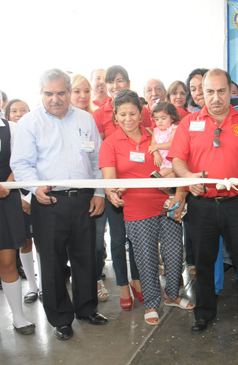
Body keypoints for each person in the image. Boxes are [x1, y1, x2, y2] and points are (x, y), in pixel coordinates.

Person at [10, 69, 108, 341]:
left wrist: (99, 192)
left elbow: (96, 160)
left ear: (69, 92)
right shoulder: (30, 123)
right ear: (41, 93)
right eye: (48, 94)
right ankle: (60, 319)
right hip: (49, 202)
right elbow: (20, 164)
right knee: (51, 263)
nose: (55, 99)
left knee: (86, 258)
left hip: (84, 201)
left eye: (60, 93)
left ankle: (87, 309)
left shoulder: (85, 119)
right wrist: (34, 187)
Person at [169, 68, 238, 336]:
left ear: (230, 92)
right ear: (201, 93)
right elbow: (177, 160)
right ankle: (204, 313)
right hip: (202, 205)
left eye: (222, 91)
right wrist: (187, 178)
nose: (216, 97)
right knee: (204, 263)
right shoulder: (189, 123)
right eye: (209, 91)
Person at [99, 90, 192, 326]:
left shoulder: (155, 136)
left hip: (166, 204)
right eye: (123, 114)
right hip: (137, 210)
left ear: (142, 115)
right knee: (146, 259)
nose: (128, 118)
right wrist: (112, 193)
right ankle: (151, 304)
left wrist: (179, 195)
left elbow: (179, 164)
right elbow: (109, 180)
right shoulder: (110, 144)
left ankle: (172, 295)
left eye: (133, 113)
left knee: (173, 255)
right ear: (116, 117)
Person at [93, 65, 143, 310]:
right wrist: (110, 189)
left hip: (139, 191)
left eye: (119, 80)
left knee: (136, 240)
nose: (114, 85)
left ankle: (136, 281)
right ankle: (123, 286)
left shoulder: (141, 111)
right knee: (117, 239)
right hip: (113, 184)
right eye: (109, 82)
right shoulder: (98, 114)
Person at [70, 74, 109, 303]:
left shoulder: (91, 120)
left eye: (86, 91)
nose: (83, 95)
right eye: (77, 91)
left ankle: (95, 280)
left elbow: (97, 160)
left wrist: (99, 192)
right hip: (65, 196)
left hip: (92, 193)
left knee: (95, 244)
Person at [0, 113, 35, 335]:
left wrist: (6, 187)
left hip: (5, 198)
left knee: (7, 261)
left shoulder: (11, 128)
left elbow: (20, 162)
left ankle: (18, 318)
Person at [149, 102, 179, 178]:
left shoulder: (173, 129)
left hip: (171, 162)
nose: (160, 121)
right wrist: (156, 154)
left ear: (172, 118)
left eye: (163, 118)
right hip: (161, 162)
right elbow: (153, 145)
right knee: (163, 184)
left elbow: (172, 144)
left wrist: (157, 146)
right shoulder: (156, 131)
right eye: (156, 119)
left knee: (159, 177)